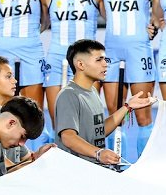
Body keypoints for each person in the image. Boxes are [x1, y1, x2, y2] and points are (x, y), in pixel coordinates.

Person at [94, 0, 158, 156]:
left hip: (139, 52)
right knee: (115, 113)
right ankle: (113, 162)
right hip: (112, 51)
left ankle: (144, 164)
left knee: (143, 116)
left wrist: (155, 24)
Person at [56, 39, 155, 167]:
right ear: (80, 65)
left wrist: (127, 107)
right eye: (99, 60)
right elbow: (68, 137)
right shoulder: (68, 95)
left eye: (105, 60)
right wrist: (99, 153)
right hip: (76, 171)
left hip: (94, 168)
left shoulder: (92, 91)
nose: (105, 64)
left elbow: (99, 131)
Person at [40, 0, 102, 126]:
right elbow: (40, 24)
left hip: (88, 62)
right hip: (56, 59)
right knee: (57, 120)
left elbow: (115, 17)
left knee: (88, 122)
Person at [0, 96, 45, 178]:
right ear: (11, 123)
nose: (21, 144)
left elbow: (2, 176)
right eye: (22, 136)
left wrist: (35, 160)